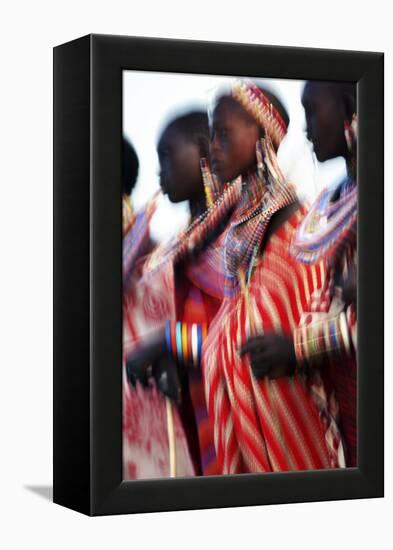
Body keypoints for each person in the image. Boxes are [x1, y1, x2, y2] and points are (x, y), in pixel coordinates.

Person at [199, 81, 336, 473]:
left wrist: (295, 348)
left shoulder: (301, 231)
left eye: (223, 133)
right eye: (211, 134)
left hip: (303, 444)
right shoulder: (239, 240)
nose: (213, 146)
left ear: (260, 133)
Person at [250, 81, 358, 466]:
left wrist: (296, 348)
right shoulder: (336, 198)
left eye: (312, 110)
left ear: (349, 106)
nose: (307, 128)